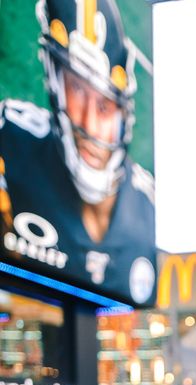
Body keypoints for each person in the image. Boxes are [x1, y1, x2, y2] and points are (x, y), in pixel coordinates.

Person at [0, 0, 155, 305]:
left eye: (104, 105)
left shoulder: (147, 207)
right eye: (77, 89)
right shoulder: (12, 139)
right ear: (55, 81)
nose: (89, 123)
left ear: (124, 113)